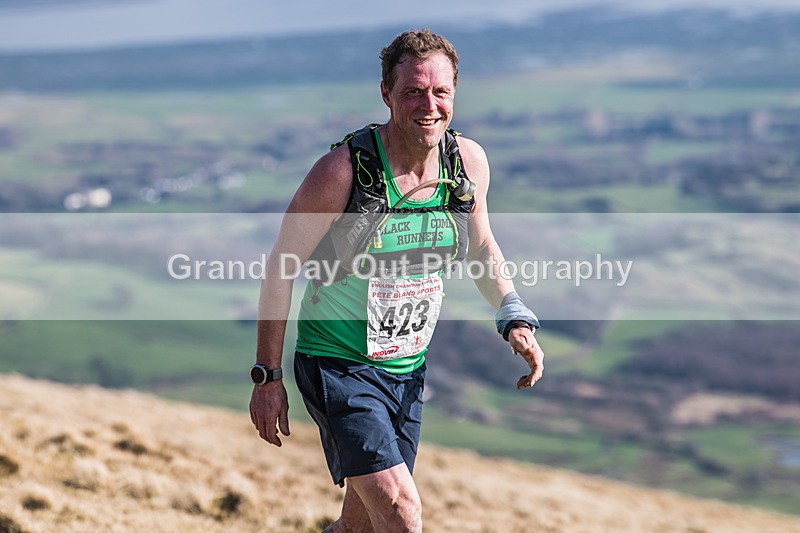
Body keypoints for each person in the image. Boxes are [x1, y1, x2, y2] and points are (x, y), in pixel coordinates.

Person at [249, 29, 544, 532]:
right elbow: (281, 267)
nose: (429, 106)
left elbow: (481, 247)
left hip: (406, 370)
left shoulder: (466, 164)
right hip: (338, 365)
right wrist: (267, 377)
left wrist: (513, 313)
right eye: (413, 92)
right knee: (402, 514)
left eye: (440, 91)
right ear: (386, 93)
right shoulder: (341, 173)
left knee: (361, 526)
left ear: (455, 93)